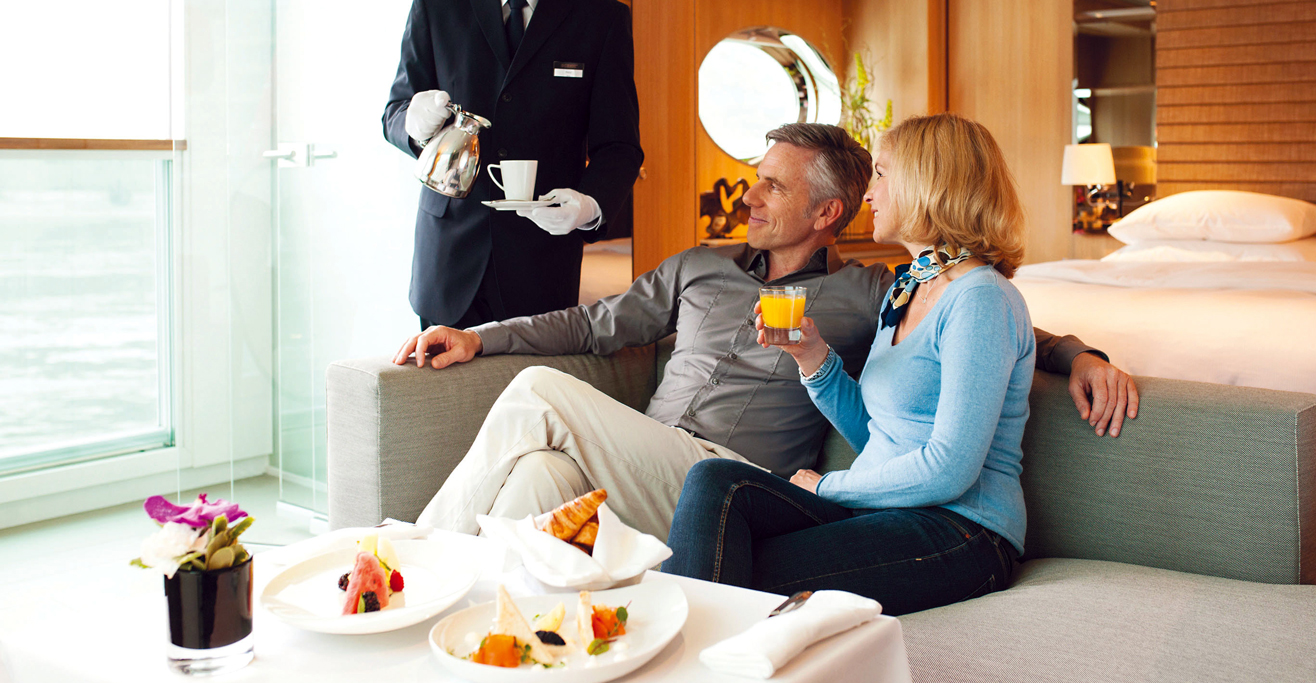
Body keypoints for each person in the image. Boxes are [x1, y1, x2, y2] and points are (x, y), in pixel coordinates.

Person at [393, 123, 1138, 543]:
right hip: (644, 461)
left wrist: (1081, 355)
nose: (748, 196)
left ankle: (406, 559)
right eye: (757, 177)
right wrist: (482, 336)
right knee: (535, 483)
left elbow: (995, 326)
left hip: (730, 481)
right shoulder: (697, 267)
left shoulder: (873, 293)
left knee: (538, 398)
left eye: (773, 185)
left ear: (827, 214)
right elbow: (595, 322)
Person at [662, 114, 1036, 615]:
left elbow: (950, 470)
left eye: (882, 174)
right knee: (715, 480)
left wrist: (828, 486)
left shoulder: (981, 299)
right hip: (880, 511)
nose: (869, 195)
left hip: (959, 528)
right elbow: (874, 434)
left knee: (729, 569)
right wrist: (812, 357)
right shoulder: (907, 289)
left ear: (929, 183)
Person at [383, 0, 643, 330]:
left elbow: (620, 146)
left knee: (532, 383)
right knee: (446, 383)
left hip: (543, 264)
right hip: (448, 259)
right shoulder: (436, 6)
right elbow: (394, 111)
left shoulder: (601, 16)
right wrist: (412, 122)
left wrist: (589, 204)